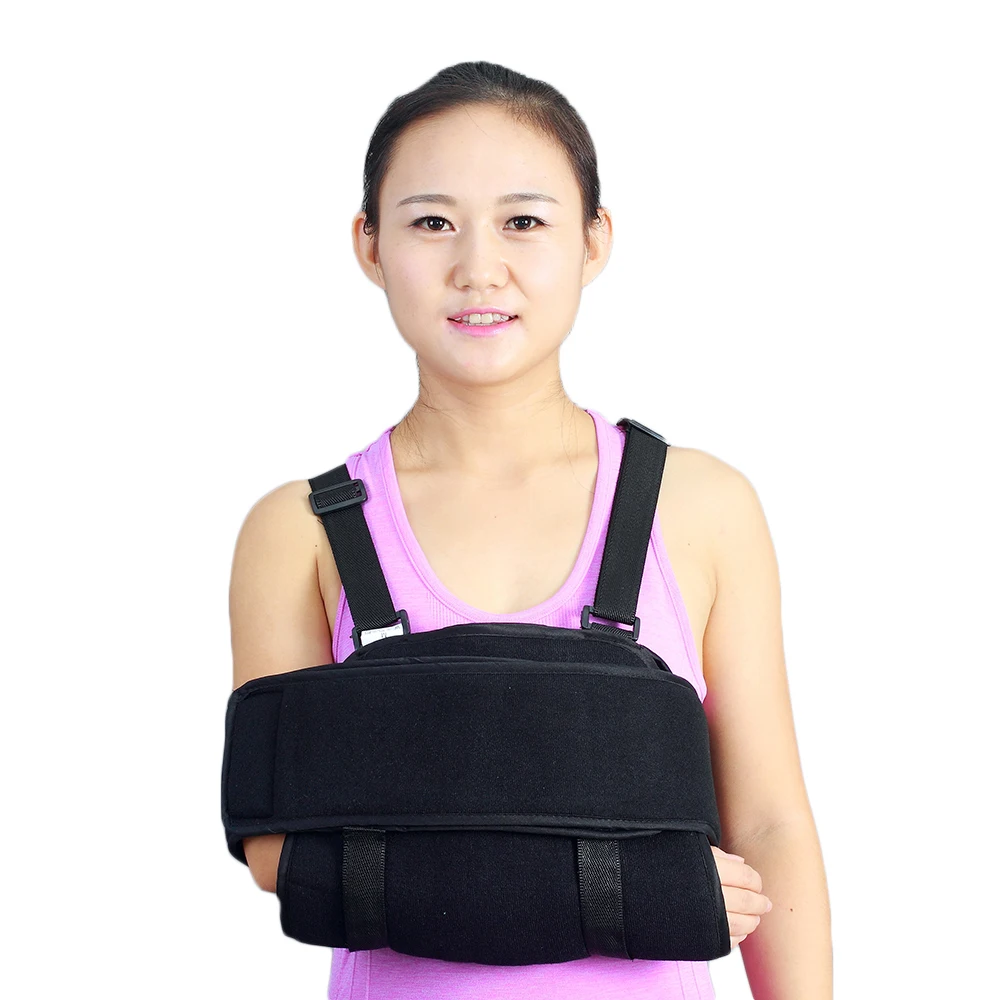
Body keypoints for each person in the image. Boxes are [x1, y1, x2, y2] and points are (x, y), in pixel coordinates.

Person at [229, 61, 832, 1000]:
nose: (479, 267)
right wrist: (625, 892)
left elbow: (767, 825)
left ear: (594, 240)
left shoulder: (700, 507)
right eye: (433, 222)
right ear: (369, 244)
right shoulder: (298, 532)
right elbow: (283, 858)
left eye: (523, 221)